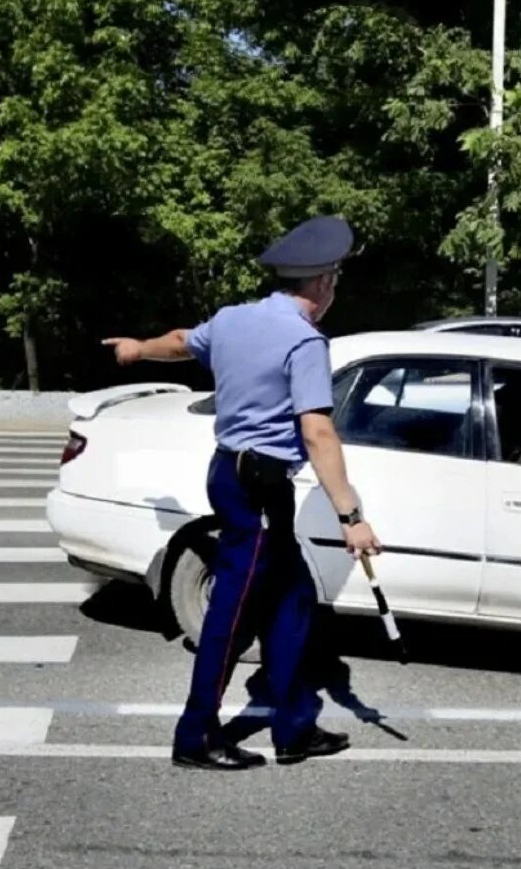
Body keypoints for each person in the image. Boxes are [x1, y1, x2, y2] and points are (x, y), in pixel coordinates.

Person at [103, 214, 383, 771]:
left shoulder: (233, 319)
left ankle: (294, 727)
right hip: (256, 490)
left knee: (294, 597)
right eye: (336, 281)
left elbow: (183, 342)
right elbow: (318, 431)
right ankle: (195, 736)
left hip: (236, 478)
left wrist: (139, 349)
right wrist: (351, 516)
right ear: (324, 284)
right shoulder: (305, 341)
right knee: (231, 615)